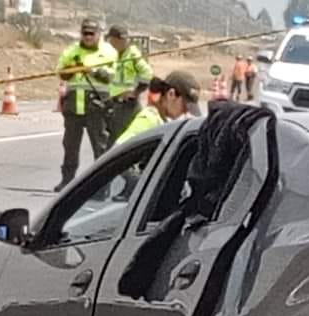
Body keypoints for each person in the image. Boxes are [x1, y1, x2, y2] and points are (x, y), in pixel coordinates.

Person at [54, 19, 118, 192]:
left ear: (99, 34)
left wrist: (93, 71)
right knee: (70, 145)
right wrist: (71, 69)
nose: (88, 37)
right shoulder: (71, 51)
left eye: (92, 33)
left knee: (100, 146)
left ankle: (102, 185)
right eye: (85, 33)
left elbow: (110, 77)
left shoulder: (108, 52)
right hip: (74, 103)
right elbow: (61, 72)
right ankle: (67, 181)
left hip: (96, 104)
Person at [115, 71, 201, 145]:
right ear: (171, 94)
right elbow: (118, 150)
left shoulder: (162, 121)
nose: (185, 112)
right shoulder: (149, 119)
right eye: (184, 106)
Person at [106, 25, 154, 142]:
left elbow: (147, 74)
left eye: (123, 40)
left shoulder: (132, 54)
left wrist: (135, 92)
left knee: (121, 141)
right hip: (111, 103)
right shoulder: (107, 54)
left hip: (126, 105)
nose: (122, 43)